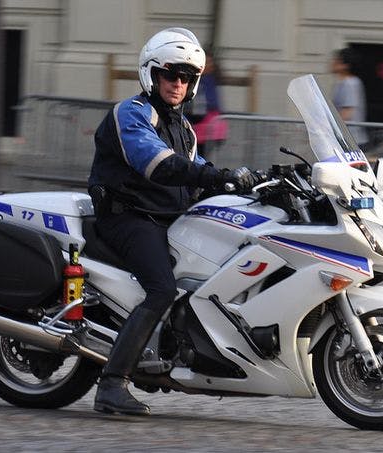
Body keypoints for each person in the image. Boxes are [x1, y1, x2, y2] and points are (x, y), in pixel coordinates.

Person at [88, 27, 259, 416]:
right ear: (152, 74)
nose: (178, 84)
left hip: (164, 218)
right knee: (162, 288)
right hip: (129, 218)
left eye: (187, 77)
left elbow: (198, 168)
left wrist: (252, 183)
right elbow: (157, 164)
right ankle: (112, 385)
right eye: (171, 75)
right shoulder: (132, 113)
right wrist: (212, 176)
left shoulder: (182, 128)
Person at [187, 51, 228, 159]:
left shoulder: (205, 81)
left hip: (206, 127)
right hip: (209, 127)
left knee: (199, 156)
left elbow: (207, 103)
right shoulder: (209, 80)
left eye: (209, 63)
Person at [330, 48, 368, 150]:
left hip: (351, 140)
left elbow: (347, 112)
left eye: (337, 61)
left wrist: (328, 129)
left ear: (345, 65)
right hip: (345, 138)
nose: (333, 62)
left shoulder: (350, 83)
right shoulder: (341, 83)